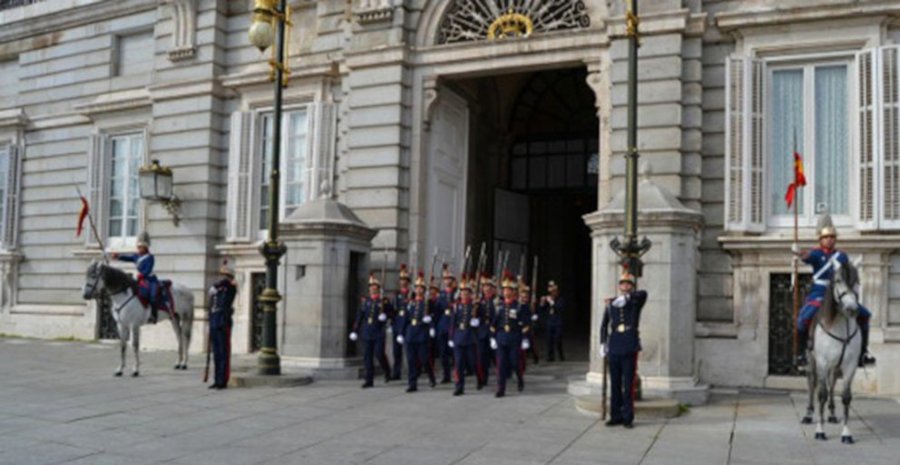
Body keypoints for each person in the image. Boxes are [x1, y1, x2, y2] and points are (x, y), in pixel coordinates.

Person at [793, 215, 875, 368]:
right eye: (826, 237)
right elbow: (807, 256)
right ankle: (800, 354)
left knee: (865, 315)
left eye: (832, 237)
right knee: (802, 319)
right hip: (820, 293)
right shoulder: (816, 254)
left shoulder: (841, 255)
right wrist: (799, 252)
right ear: (821, 239)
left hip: (839, 292)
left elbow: (847, 273)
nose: (830, 239)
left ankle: (863, 353)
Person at [600, 272, 647, 429]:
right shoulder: (611, 304)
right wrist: (603, 343)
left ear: (631, 286)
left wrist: (626, 298)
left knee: (628, 384)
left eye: (628, 284)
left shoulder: (635, 301)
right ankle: (616, 415)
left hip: (629, 345)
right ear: (619, 286)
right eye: (622, 283)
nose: (625, 286)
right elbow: (604, 324)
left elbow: (643, 294)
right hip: (614, 344)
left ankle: (628, 417)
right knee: (615, 383)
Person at [491, 272, 531, 398]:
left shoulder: (520, 306)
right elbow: (494, 323)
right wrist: (492, 337)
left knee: (514, 362)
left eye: (509, 290)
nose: (506, 292)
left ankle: (520, 379)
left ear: (514, 291)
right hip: (501, 338)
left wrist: (525, 338)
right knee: (501, 364)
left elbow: (526, 323)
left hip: (514, 338)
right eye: (504, 290)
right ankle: (500, 389)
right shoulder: (499, 306)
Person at [350, 274, 393, 388]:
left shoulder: (383, 301)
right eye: (371, 286)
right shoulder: (365, 301)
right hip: (367, 331)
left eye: (375, 286)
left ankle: (387, 370)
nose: (373, 288)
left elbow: (392, 313)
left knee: (379, 354)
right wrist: (355, 330)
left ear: (378, 288)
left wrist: (386, 316)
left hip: (378, 331)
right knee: (367, 356)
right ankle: (369, 380)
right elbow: (359, 316)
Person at [111, 231, 162, 324]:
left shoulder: (150, 257)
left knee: (153, 296)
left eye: (140, 247)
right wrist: (118, 256)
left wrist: (142, 275)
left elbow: (148, 269)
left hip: (150, 280)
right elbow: (127, 258)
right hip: (140, 280)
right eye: (138, 247)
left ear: (145, 247)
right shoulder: (136, 256)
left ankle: (153, 316)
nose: (138, 249)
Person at [400, 272, 436, 392]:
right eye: (417, 287)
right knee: (411, 360)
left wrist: (430, 324)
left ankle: (431, 376)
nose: (419, 289)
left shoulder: (428, 302)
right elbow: (405, 319)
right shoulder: (410, 302)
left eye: (421, 288)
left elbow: (433, 315)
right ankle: (412, 383)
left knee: (424, 358)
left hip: (422, 333)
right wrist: (401, 333)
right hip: (411, 332)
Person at [207, 261, 237, 390]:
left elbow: (227, 288)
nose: (222, 277)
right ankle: (217, 379)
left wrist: (220, 284)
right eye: (221, 275)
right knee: (217, 353)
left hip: (223, 322)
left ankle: (223, 380)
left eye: (225, 275)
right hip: (214, 321)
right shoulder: (217, 289)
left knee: (224, 352)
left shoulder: (230, 287)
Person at [449, 275, 479, 396]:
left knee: (473, 362)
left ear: (470, 294)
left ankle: (480, 379)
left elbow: (482, 319)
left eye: (466, 293)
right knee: (459, 363)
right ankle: (459, 386)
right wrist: (451, 337)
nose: (464, 295)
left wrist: (476, 321)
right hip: (459, 336)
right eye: (462, 293)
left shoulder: (474, 305)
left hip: (470, 337)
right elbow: (452, 322)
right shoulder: (456, 306)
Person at [435, 264, 457, 384]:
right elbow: (437, 311)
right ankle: (446, 375)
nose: (447, 281)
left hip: (453, 324)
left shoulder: (457, 293)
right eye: (445, 279)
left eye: (449, 279)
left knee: (455, 353)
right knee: (443, 352)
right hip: (443, 325)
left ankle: (457, 373)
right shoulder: (441, 294)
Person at [476, 273, 497, 390]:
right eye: (485, 286)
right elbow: (474, 315)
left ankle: (501, 378)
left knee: (497, 358)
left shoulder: (497, 301)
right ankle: (481, 380)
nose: (487, 288)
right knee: (481, 358)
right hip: (482, 332)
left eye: (489, 286)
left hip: (494, 333)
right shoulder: (479, 301)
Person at [390, 264, 412, 380]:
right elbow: (392, 310)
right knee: (396, 351)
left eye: (405, 280)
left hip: (408, 325)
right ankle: (396, 372)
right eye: (401, 280)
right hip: (397, 324)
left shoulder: (412, 294)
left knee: (409, 351)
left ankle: (412, 371)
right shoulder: (396, 295)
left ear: (408, 282)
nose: (402, 282)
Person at [539, 280, 566, 362]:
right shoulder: (548, 299)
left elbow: (559, 308)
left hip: (558, 322)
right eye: (551, 292)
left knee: (558, 339)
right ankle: (550, 356)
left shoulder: (560, 299)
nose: (553, 294)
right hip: (549, 322)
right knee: (549, 340)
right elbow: (542, 309)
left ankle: (561, 355)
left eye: (554, 291)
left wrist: (552, 302)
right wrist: (542, 302)